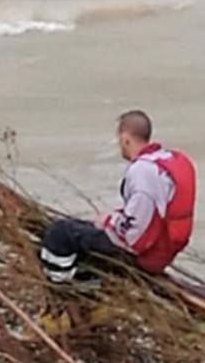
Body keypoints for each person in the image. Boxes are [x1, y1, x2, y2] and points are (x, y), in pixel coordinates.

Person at [39, 110, 196, 281]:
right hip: (161, 251)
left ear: (125, 138)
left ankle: (59, 288)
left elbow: (134, 233)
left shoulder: (142, 172)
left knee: (60, 231)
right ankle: (88, 282)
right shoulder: (165, 161)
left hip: (144, 255)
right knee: (81, 228)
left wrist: (108, 221)